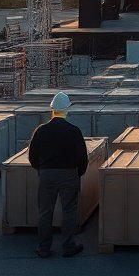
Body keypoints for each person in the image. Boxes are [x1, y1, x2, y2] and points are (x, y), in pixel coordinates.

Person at [27, 91, 89, 258]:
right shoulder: (74, 131)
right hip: (69, 174)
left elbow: (32, 156)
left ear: (52, 110)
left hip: (47, 174)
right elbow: (82, 157)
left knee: (45, 211)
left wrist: (41, 170)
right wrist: (78, 173)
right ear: (67, 110)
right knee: (69, 210)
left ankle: (44, 247)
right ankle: (68, 246)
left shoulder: (41, 131)